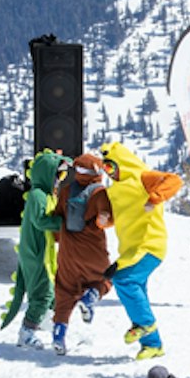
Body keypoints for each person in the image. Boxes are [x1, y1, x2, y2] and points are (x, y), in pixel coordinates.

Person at [99, 140, 183, 361]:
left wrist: (155, 197)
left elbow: (174, 181)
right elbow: (121, 216)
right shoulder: (114, 190)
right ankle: (153, 345)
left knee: (124, 280)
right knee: (138, 293)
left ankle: (145, 324)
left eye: (110, 166)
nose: (109, 172)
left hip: (150, 245)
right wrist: (106, 220)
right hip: (130, 249)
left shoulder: (143, 177)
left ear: (122, 163)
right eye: (105, 168)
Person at [51, 153, 115, 357]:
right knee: (105, 278)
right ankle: (91, 297)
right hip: (93, 249)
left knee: (64, 291)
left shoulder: (66, 191)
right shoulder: (100, 192)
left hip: (68, 251)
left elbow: (56, 220)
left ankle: (59, 334)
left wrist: (59, 238)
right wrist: (104, 220)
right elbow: (108, 218)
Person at [0, 149, 63, 349]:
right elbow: (41, 221)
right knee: (42, 295)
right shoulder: (37, 196)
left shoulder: (47, 195)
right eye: (58, 174)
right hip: (36, 254)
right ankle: (26, 332)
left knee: (53, 292)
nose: (60, 180)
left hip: (45, 254)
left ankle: (47, 323)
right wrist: (64, 223)